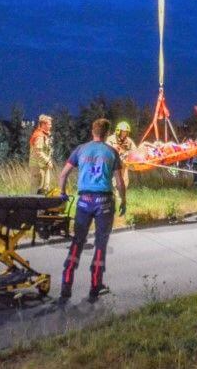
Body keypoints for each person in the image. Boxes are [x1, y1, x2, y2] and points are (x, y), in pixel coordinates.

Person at [59, 118, 127, 302]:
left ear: (93, 131)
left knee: (77, 241)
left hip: (84, 201)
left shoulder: (81, 149)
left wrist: (62, 192)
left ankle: (66, 283)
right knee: (100, 244)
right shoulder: (112, 152)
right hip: (104, 201)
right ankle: (95, 286)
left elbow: (64, 173)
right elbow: (120, 182)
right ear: (107, 133)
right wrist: (123, 201)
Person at [106, 120, 136, 188]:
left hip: (124, 165)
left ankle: (120, 197)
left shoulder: (129, 141)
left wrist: (128, 154)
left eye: (125, 132)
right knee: (113, 183)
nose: (124, 134)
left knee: (124, 183)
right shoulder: (111, 139)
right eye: (122, 132)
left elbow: (135, 151)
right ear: (118, 131)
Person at [29, 114, 55, 193]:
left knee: (44, 189)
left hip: (43, 165)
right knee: (36, 188)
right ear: (43, 124)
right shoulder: (39, 135)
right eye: (49, 124)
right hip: (38, 166)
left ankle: (42, 205)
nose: (51, 126)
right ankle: (32, 204)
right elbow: (38, 152)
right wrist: (47, 161)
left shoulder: (44, 135)